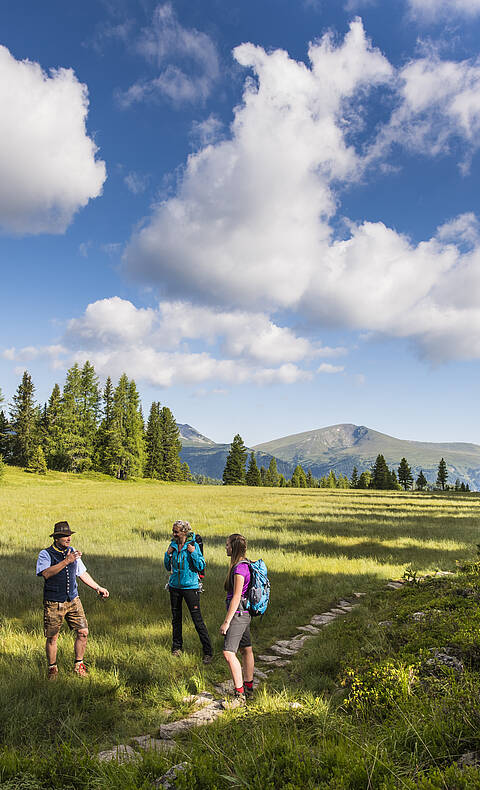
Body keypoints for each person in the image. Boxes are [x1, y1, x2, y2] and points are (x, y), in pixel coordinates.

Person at [36, 521, 109, 679]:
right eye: (64, 536)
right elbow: (46, 573)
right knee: (52, 637)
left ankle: (78, 665)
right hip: (54, 601)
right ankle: (52, 670)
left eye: (69, 535)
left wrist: (98, 587)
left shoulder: (73, 551)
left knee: (83, 632)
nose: (68, 538)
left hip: (73, 599)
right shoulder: (45, 554)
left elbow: (82, 573)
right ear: (56, 538)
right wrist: (66, 561)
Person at [164, 520, 213, 664]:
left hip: (190, 587)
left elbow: (201, 565)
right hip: (174, 587)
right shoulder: (172, 545)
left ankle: (208, 652)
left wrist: (193, 553)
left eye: (176, 531)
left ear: (184, 532)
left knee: (197, 620)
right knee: (176, 619)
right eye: (173, 531)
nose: (173, 534)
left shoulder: (193, 545)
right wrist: (167, 554)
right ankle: (176, 648)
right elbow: (167, 567)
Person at [220, 533, 254, 704]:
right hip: (245, 613)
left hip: (238, 614)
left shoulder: (240, 569)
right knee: (246, 649)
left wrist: (227, 622)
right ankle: (249, 688)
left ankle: (240, 694)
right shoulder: (245, 564)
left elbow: (236, 597)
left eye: (227, 545)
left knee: (228, 652)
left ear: (233, 547)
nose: (225, 547)